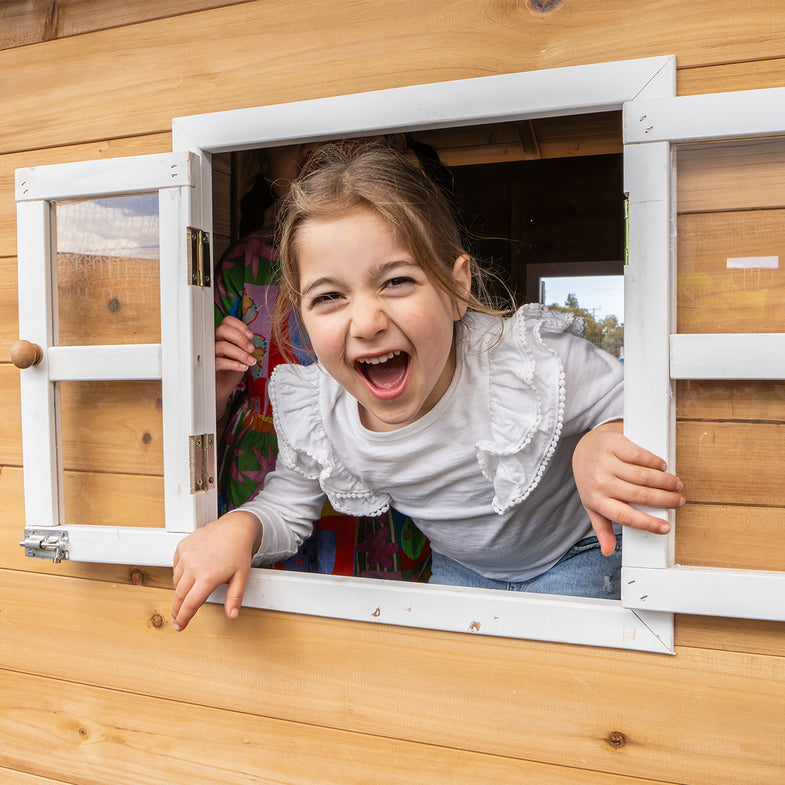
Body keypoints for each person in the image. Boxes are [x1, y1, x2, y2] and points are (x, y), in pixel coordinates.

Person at [171, 142, 684, 631]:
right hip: (460, 569)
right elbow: (287, 507)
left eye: (396, 281)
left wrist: (600, 440)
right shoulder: (321, 408)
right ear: (300, 316)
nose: (367, 322)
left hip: (577, 554)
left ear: (457, 288)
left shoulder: (519, 360)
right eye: (329, 296)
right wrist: (243, 527)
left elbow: (643, 401)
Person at [213, 141, 431, 579]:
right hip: (261, 458)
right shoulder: (243, 263)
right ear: (262, 161)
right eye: (293, 142)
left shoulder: (396, 246)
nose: (314, 151)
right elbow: (199, 419)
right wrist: (214, 383)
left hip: (371, 453)